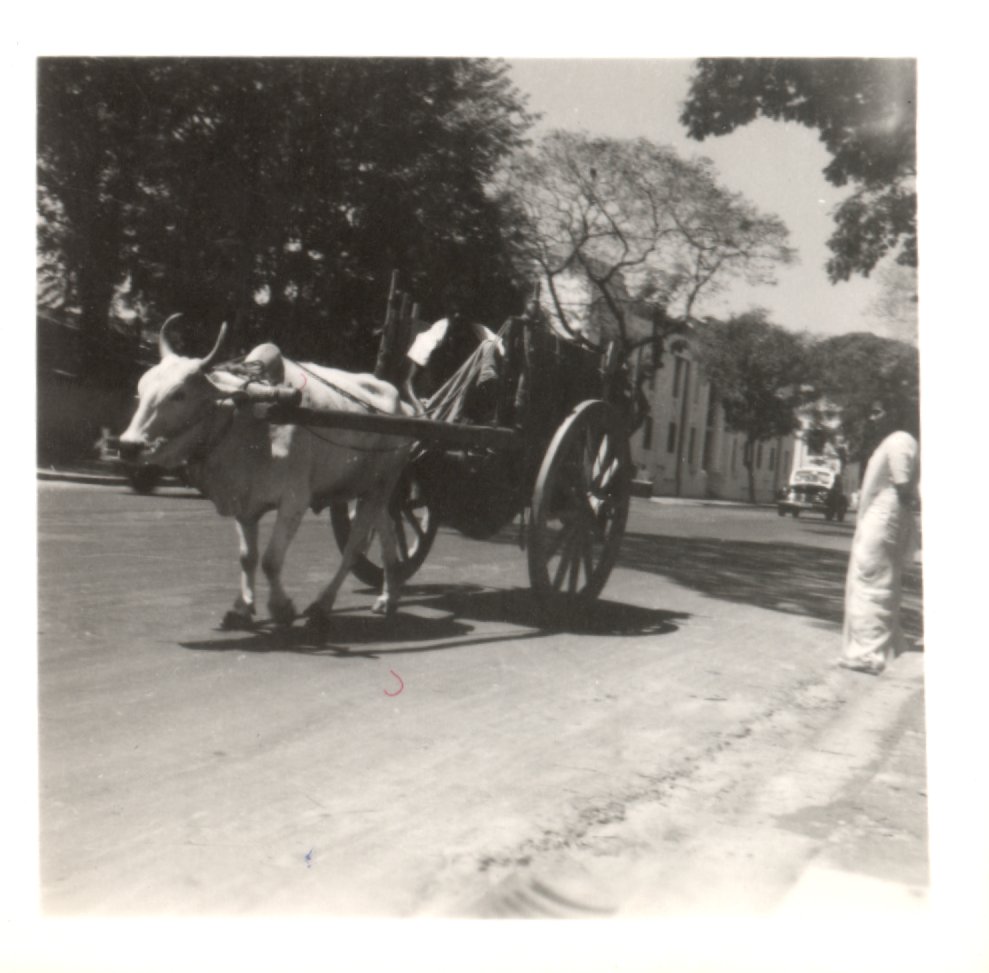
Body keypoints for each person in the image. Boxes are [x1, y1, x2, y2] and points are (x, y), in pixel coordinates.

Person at [839, 406, 921, 675]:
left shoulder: (900, 440)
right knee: (876, 581)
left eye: (879, 413)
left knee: (873, 583)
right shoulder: (900, 440)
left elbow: (902, 482)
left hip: (885, 519)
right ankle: (890, 648)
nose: (873, 418)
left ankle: (867, 654)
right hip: (886, 517)